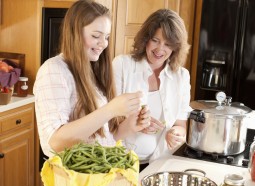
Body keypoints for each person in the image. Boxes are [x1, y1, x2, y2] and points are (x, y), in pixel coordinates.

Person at [33, 0, 150, 160]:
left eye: (107, 37)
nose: (103, 44)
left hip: (101, 178)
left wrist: (130, 125)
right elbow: (55, 142)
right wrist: (110, 110)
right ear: (74, 32)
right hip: (74, 182)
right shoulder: (53, 70)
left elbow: (101, 141)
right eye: (96, 36)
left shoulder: (93, 70)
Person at [113, 9, 192, 170]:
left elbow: (180, 125)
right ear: (146, 39)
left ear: (175, 48)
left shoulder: (182, 76)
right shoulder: (122, 65)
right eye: (155, 40)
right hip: (120, 162)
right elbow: (108, 118)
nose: (160, 49)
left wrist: (175, 134)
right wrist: (136, 122)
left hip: (161, 164)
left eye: (168, 44)